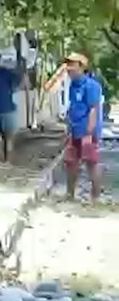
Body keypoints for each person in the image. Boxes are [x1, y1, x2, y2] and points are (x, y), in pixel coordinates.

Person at [64, 52, 104, 202]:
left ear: (81, 67)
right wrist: (69, 126)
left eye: (71, 65)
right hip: (74, 129)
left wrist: (89, 129)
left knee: (90, 163)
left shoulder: (91, 85)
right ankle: (70, 194)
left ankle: (95, 197)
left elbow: (93, 108)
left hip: (87, 131)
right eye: (67, 65)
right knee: (70, 162)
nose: (68, 69)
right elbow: (73, 106)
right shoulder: (73, 86)